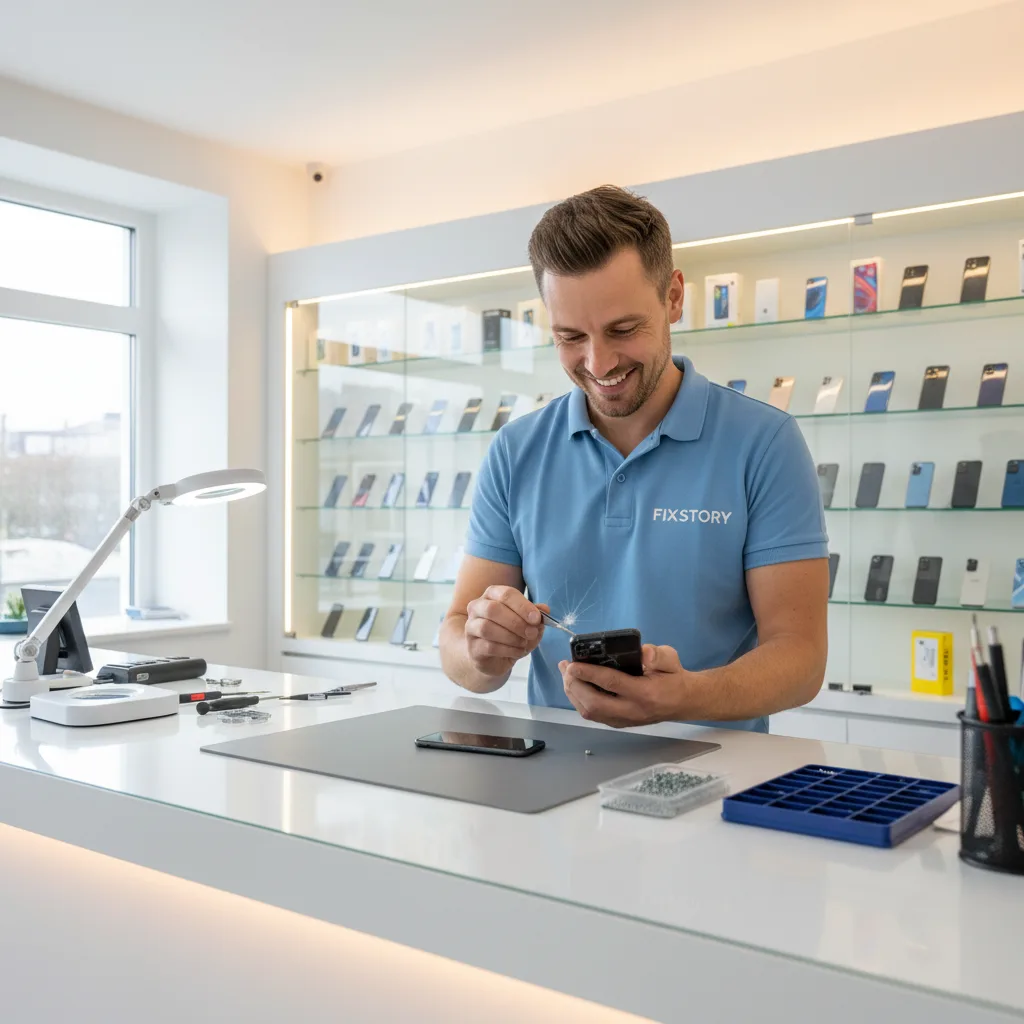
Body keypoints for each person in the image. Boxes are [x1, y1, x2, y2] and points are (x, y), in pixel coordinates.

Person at [438, 185, 828, 732]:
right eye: (570, 336)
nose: (599, 363)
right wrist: (482, 651)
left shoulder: (765, 443)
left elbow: (801, 660)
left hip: (716, 770)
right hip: (554, 768)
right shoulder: (515, 450)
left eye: (623, 330)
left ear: (673, 297)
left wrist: (685, 697)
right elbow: (458, 640)